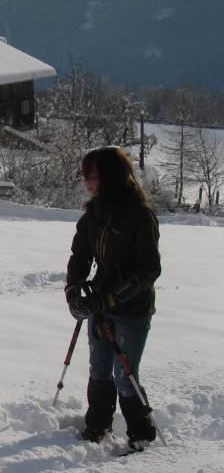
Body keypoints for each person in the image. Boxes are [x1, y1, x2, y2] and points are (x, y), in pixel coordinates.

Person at [64, 146, 161, 448]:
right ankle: (97, 426)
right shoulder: (94, 213)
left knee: (125, 375)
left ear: (109, 177)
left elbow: (148, 270)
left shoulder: (140, 215)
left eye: (90, 176)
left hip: (132, 310)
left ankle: (142, 435)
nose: (86, 183)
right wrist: (74, 291)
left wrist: (105, 300)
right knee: (99, 369)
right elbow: (80, 253)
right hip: (100, 305)